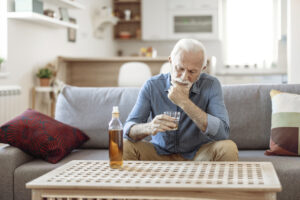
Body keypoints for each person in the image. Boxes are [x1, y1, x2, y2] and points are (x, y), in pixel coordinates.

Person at [123, 38, 238, 161]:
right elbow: (128, 129)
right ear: (170, 61)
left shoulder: (211, 85)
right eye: (180, 68)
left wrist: (184, 102)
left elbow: (223, 133)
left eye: (192, 71)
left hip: (199, 154)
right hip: (159, 153)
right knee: (124, 146)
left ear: (203, 69)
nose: (184, 77)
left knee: (228, 147)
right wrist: (149, 127)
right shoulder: (152, 85)